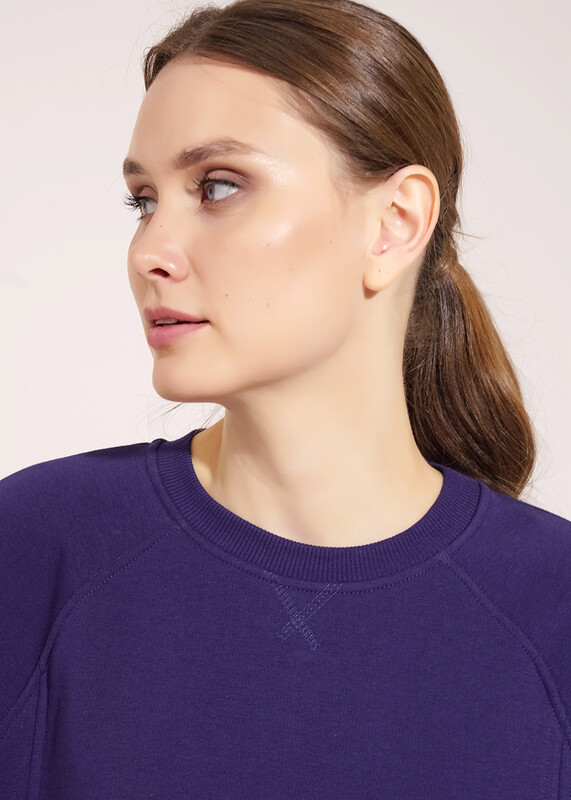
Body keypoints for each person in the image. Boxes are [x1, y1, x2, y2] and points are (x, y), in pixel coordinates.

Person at [1, 0, 570, 796]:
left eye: (218, 186)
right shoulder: (35, 549)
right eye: (144, 200)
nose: (150, 251)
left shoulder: (551, 605)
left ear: (394, 223)